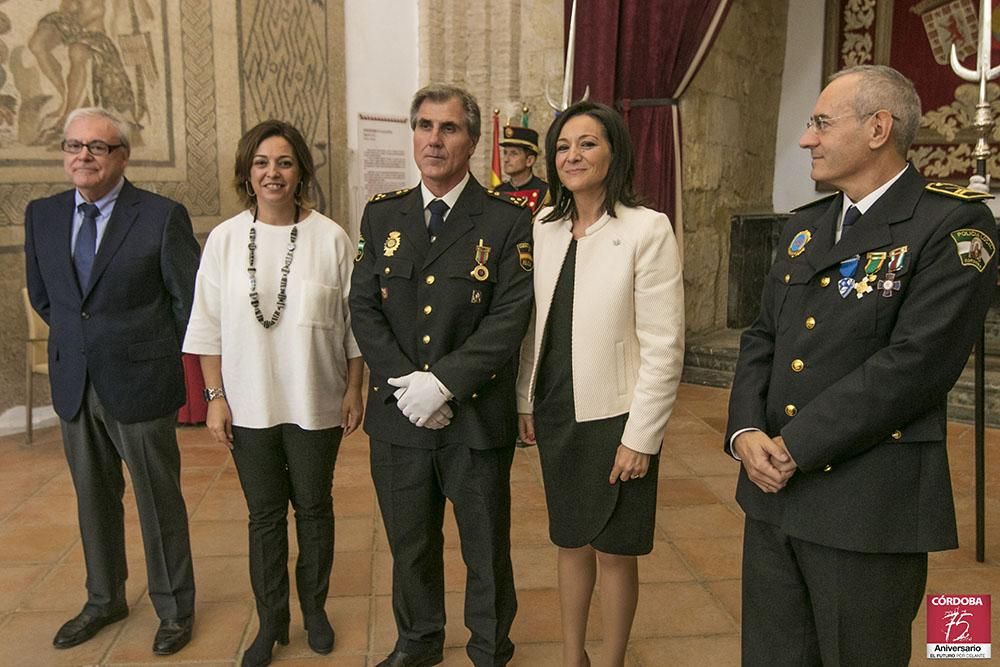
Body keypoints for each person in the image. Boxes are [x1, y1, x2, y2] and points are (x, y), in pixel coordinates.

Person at [725, 65, 998, 666]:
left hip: (866, 505)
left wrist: (793, 446)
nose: (806, 139)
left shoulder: (952, 226)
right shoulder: (804, 228)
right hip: (771, 498)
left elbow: (914, 366)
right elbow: (762, 337)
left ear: (879, 128)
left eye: (821, 123)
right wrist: (745, 432)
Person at [350, 84, 534, 667]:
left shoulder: (506, 221)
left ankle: (489, 648)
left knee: (485, 547)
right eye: (425, 126)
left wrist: (444, 383)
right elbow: (363, 307)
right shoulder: (382, 214)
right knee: (410, 544)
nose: (434, 139)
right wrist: (410, 386)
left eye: (449, 128)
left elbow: (510, 317)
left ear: (473, 140)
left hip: (475, 417)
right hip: (400, 416)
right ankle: (419, 642)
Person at [183, 120, 364, 667]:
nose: (272, 173)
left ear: (301, 171)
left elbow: (355, 326)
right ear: (248, 172)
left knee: (313, 509)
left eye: (284, 162)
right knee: (264, 516)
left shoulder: (331, 237)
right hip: (249, 405)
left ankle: (316, 611)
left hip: (317, 404)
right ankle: (271, 622)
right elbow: (207, 326)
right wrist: (215, 395)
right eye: (262, 162)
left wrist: (355, 388)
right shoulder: (224, 239)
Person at [23, 106, 198, 655]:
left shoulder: (161, 215)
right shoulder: (42, 214)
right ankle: (104, 598)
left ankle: (174, 608)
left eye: (97, 147)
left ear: (122, 156)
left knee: (157, 500)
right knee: (93, 499)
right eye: (74, 146)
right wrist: (84, 344)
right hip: (75, 380)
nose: (83, 156)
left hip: (142, 381)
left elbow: (186, 301)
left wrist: (143, 350)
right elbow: (45, 295)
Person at [516, 100, 684, 667]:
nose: (572, 155)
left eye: (587, 143)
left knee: (613, 550)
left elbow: (664, 345)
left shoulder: (646, 228)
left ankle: (609, 660)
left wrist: (642, 436)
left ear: (614, 151)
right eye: (563, 146)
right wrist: (525, 398)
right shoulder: (542, 225)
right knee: (569, 540)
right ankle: (572, 657)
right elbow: (531, 325)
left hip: (618, 415)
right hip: (558, 405)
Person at [497, 125, 549, 212]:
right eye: (505, 153)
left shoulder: (546, 192)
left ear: (529, 160)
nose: (506, 159)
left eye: (513, 154)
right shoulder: (498, 192)